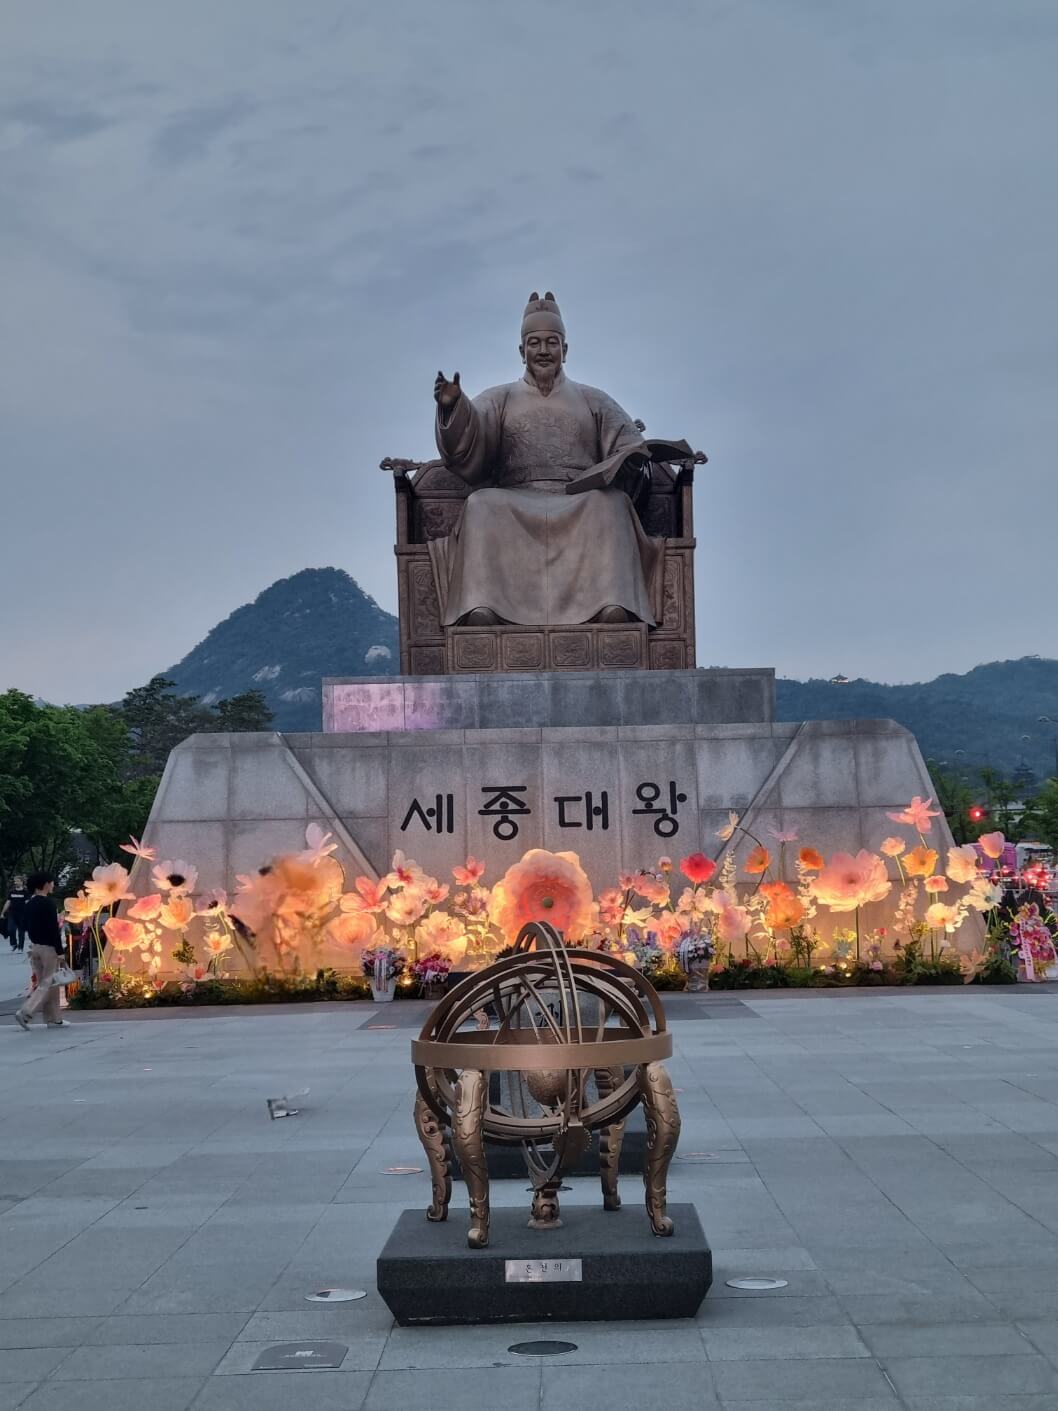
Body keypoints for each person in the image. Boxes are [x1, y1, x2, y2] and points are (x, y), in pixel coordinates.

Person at [428, 292, 664, 629]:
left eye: (551, 343)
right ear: (521, 350)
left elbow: (629, 445)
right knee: (481, 504)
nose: (542, 351)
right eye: (534, 343)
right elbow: (470, 438)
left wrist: (632, 458)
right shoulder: (499, 398)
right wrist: (453, 407)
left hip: (580, 498)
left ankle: (611, 604)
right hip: (516, 495)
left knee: (611, 505)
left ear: (564, 350)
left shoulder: (594, 399)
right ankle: (482, 605)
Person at [14, 873, 70, 1030]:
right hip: (49, 948)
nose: (53, 885)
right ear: (45, 884)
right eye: (52, 883)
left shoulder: (29, 903)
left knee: (48, 984)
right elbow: (53, 930)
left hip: (35, 947)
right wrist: (60, 951)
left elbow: (24, 925)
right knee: (47, 983)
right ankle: (25, 1012)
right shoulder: (48, 903)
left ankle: (54, 1019)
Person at [2, 875, 28, 953]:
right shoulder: (12, 892)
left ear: (21, 882)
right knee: (11, 929)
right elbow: (8, 902)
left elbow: (27, 903)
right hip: (12, 914)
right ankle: (14, 944)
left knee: (21, 932)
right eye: (15, 881)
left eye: (17, 881)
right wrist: (2, 913)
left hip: (22, 915)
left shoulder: (25, 892)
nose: (15, 882)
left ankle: (20, 947)